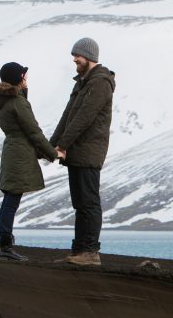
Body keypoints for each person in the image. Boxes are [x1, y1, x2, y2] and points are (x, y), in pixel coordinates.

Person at [0, 61, 61, 262]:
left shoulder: (2, 101)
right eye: (24, 76)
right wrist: (53, 154)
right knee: (11, 202)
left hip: (11, 151)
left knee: (9, 201)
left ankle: (5, 246)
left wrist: (23, 94)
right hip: (19, 154)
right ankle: (6, 248)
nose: (26, 79)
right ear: (18, 78)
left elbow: (19, 121)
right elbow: (33, 131)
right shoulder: (17, 103)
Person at [50, 37, 115, 266]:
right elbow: (68, 115)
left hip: (88, 151)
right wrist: (52, 145)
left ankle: (90, 252)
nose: (74, 59)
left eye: (77, 56)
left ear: (88, 56)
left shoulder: (100, 82)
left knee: (88, 202)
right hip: (77, 151)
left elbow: (84, 118)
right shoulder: (83, 82)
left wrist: (63, 145)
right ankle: (78, 251)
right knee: (80, 203)